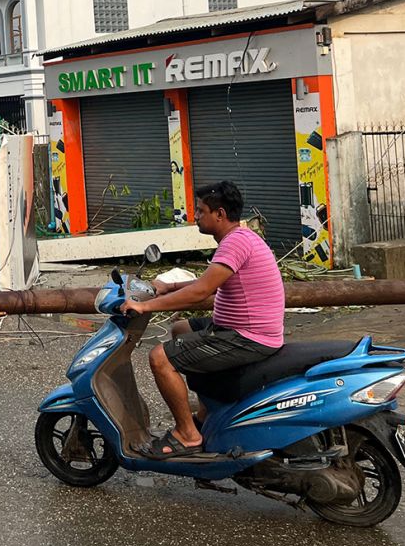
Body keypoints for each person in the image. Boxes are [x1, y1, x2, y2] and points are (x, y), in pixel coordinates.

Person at [121, 181, 284, 459]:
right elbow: (209, 282)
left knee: (160, 358)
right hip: (239, 327)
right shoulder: (241, 238)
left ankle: (188, 434)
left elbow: (201, 292)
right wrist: (168, 287)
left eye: (200, 211)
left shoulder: (235, 243)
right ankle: (206, 413)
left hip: (247, 336)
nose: (195, 216)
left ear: (219, 214)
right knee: (180, 328)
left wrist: (145, 306)